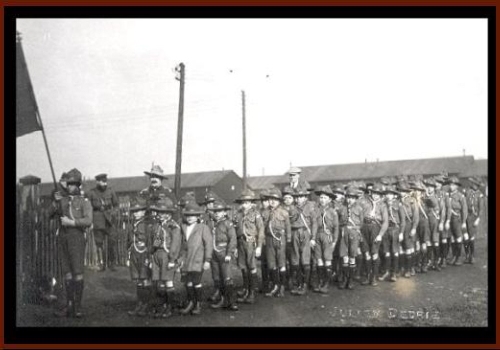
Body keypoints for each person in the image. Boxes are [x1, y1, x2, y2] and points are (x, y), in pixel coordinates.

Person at [53, 168, 93, 318]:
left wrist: (72, 222)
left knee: (77, 272)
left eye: (72, 184)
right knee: (67, 272)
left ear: (78, 185)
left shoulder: (84, 202)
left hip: (76, 238)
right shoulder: (61, 200)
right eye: (68, 184)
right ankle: (69, 305)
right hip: (63, 238)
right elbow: (50, 214)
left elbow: (88, 220)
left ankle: (77, 307)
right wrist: (55, 202)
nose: (69, 186)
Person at [149, 198, 182, 318]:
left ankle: (170, 306)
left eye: (164, 213)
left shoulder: (173, 227)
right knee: (160, 282)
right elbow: (157, 241)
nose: (161, 215)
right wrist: (152, 253)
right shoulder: (158, 226)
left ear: (169, 214)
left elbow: (175, 245)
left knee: (168, 281)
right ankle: (161, 305)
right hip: (157, 255)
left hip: (167, 255)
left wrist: (173, 260)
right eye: (159, 212)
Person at [179, 202, 213, 316]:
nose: (189, 218)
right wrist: (180, 259)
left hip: (198, 259)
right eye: (187, 215)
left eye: (192, 216)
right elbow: (182, 244)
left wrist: (207, 260)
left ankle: (198, 303)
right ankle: (190, 302)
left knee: (196, 282)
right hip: (187, 259)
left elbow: (208, 244)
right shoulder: (183, 227)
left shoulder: (203, 228)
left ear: (198, 216)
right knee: (188, 282)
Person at [233, 189, 264, 304]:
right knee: (243, 267)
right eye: (243, 203)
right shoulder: (239, 214)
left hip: (251, 243)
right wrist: (235, 247)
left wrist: (259, 246)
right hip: (241, 242)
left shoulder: (256, 214)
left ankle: (252, 293)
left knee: (252, 267)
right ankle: (245, 289)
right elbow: (236, 231)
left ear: (251, 203)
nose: (244, 205)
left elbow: (261, 230)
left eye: (247, 202)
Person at [208, 200, 238, 311]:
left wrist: (229, 253)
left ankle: (232, 302)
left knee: (227, 278)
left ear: (225, 212)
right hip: (214, 254)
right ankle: (222, 300)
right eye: (215, 211)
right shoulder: (211, 223)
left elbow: (233, 240)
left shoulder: (228, 224)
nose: (217, 213)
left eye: (219, 211)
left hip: (224, 252)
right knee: (217, 278)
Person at [289, 188, 318, 295]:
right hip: (294, 233)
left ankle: (305, 285)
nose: (299, 199)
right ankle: (298, 284)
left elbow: (314, 223)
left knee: (305, 259)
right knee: (296, 259)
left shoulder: (310, 208)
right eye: (296, 197)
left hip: (305, 233)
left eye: (301, 197)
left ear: (305, 197)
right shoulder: (291, 208)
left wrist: (313, 238)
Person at [87, 173, 119, 271]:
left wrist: (113, 213)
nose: (104, 184)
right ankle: (101, 264)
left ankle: (112, 263)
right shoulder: (92, 193)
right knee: (99, 243)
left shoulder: (111, 191)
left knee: (112, 242)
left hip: (109, 220)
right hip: (98, 220)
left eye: (105, 182)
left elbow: (116, 205)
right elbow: (88, 208)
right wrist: (90, 221)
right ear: (97, 182)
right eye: (102, 182)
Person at [263, 188, 291, 298]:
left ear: (279, 201)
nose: (273, 201)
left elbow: (288, 227)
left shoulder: (284, 212)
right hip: (269, 239)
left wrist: (288, 240)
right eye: (271, 199)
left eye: (275, 199)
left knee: (281, 263)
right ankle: (275, 285)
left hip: (280, 239)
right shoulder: (265, 213)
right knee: (271, 264)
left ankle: (282, 286)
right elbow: (263, 227)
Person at [126, 197, 152, 317]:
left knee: (145, 278)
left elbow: (151, 241)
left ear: (144, 211)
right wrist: (128, 255)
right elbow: (129, 240)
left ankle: (146, 305)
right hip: (135, 254)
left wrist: (150, 257)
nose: (136, 213)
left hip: (144, 253)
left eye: (139, 211)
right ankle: (140, 304)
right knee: (138, 280)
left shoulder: (148, 225)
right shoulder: (132, 224)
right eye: (134, 211)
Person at [359, 182, 388, 286]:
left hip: (376, 229)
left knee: (374, 253)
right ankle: (368, 276)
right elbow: (359, 216)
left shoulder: (383, 205)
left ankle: (374, 277)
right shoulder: (364, 202)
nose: (375, 195)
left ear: (380, 195)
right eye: (373, 192)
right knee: (366, 253)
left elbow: (385, 222)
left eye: (377, 193)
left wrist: (380, 235)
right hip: (364, 229)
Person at [311, 185, 339, 294]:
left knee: (327, 259)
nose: (322, 200)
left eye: (325, 198)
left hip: (328, 236)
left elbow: (336, 227)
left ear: (330, 199)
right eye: (321, 198)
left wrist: (335, 241)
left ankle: (326, 283)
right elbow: (313, 224)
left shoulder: (333, 211)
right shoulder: (316, 210)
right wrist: (313, 238)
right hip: (318, 235)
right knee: (319, 259)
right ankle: (320, 281)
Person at [379, 184, 405, 282]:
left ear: (394, 195)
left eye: (391, 194)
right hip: (386, 229)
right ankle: (386, 271)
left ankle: (394, 272)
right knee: (386, 252)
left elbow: (403, 221)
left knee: (395, 252)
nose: (388, 196)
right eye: (387, 194)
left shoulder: (398, 204)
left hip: (395, 229)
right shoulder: (383, 204)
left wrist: (402, 233)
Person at [422, 178, 445, 271]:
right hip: (427, 221)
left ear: (434, 188)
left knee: (436, 242)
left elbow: (443, 211)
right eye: (428, 187)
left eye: (431, 187)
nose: (429, 189)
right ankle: (429, 261)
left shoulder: (439, 197)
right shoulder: (423, 197)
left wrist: (442, 222)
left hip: (435, 221)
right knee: (428, 242)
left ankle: (436, 262)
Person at [398, 180, 419, 278]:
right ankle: (402, 267)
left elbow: (416, 216)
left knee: (409, 248)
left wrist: (414, 228)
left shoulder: (412, 201)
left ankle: (409, 269)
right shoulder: (397, 201)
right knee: (401, 248)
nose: (401, 193)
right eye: (400, 191)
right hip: (399, 226)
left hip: (408, 225)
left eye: (403, 191)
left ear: (407, 192)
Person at [445, 176, 468, 266]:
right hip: (449, 218)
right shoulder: (447, 195)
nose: (451, 186)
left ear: (457, 186)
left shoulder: (460, 196)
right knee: (452, 238)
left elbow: (464, 210)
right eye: (450, 184)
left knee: (458, 237)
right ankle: (454, 256)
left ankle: (459, 257)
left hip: (457, 218)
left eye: (453, 185)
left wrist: (463, 222)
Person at [410, 179, 430, 273]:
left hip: (423, 223)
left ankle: (424, 264)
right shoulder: (411, 201)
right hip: (415, 224)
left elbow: (432, 205)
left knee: (424, 244)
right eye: (415, 190)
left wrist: (421, 201)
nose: (417, 192)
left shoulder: (425, 200)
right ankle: (417, 264)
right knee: (416, 244)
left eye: (419, 190)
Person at [464, 177, 484, 264]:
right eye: (473, 184)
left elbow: (481, 209)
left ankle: (472, 256)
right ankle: (467, 255)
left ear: (478, 186)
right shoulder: (467, 192)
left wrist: (478, 219)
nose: (474, 185)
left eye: (476, 184)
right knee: (465, 236)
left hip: (473, 217)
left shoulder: (480, 195)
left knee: (471, 237)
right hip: (466, 216)